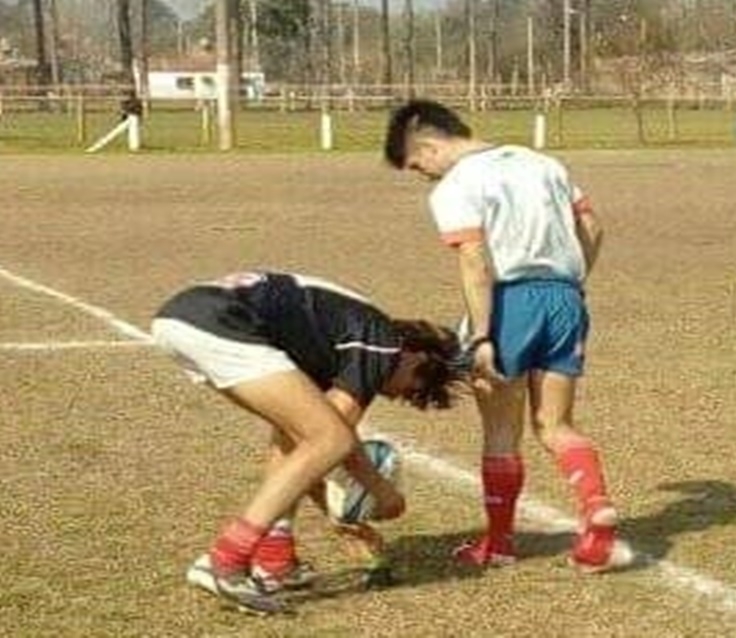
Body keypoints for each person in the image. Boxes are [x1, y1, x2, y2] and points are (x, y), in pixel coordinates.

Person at [383, 99, 633, 573]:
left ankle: (498, 544)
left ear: (427, 143)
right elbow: (592, 226)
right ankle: (596, 508)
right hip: (565, 298)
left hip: (509, 304)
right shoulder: (542, 163)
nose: (425, 175)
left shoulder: (457, 185)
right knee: (555, 425)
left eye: (418, 166)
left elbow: (474, 258)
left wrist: (481, 336)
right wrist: (571, 285)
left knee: (501, 431)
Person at [151, 270, 469, 615]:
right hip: (217, 320)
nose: (397, 396)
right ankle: (226, 559)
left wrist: (342, 518)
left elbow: (303, 448)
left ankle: (274, 559)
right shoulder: (382, 343)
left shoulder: (333, 343)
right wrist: (382, 494)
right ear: (419, 356)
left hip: (183, 317)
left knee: (296, 433)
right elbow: (336, 440)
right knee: (329, 436)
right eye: (414, 388)